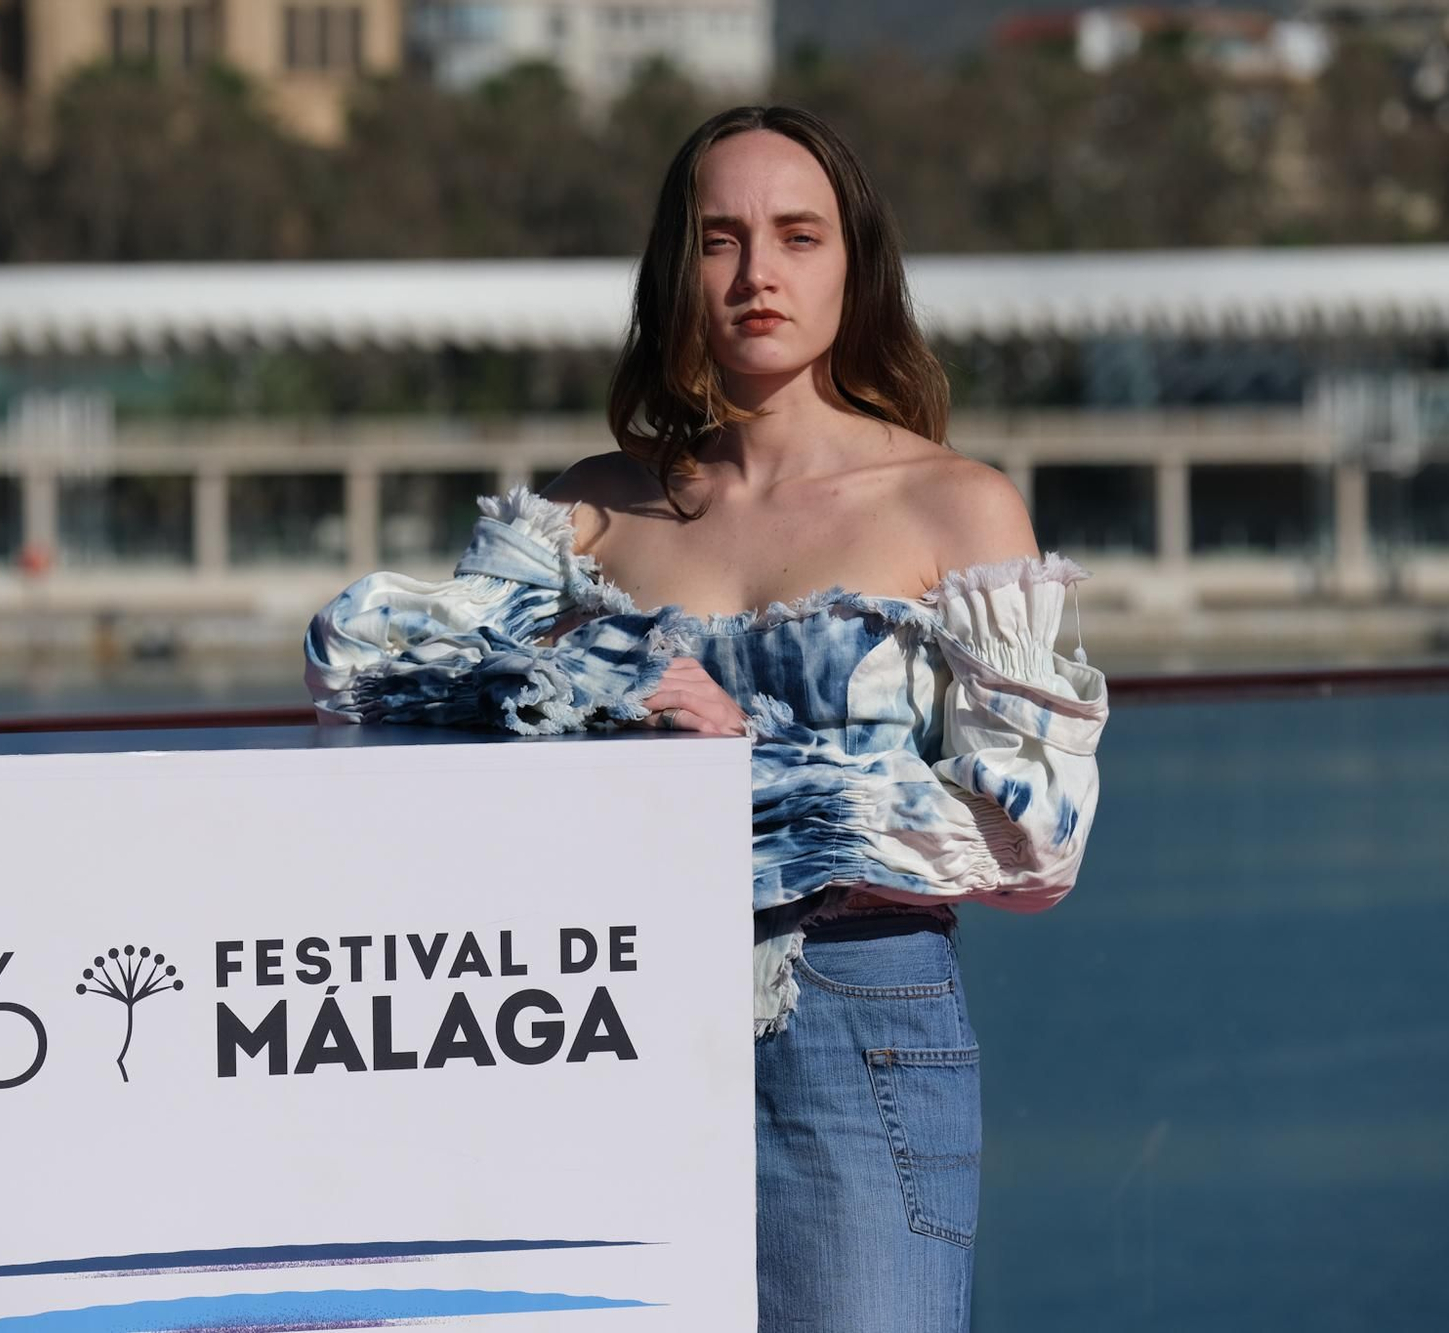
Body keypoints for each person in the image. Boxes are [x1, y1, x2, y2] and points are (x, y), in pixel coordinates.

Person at [306, 105, 1109, 1333]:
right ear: (676, 271)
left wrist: (749, 768)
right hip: (602, 1013)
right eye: (720, 239)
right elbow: (360, 668)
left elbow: (1035, 841)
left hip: (857, 1020)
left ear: (855, 266)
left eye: (797, 236)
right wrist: (596, 701)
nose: (757, 274)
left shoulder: (956, 508)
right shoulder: (589, 511)